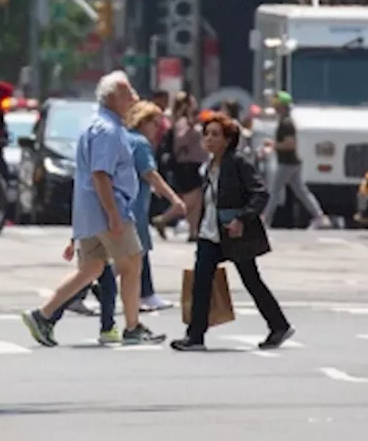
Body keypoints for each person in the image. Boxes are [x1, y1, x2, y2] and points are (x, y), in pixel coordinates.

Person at [21, 71, 165, 347]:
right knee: (133, 261)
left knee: (91, 268)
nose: (134, 97)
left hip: (90, 212)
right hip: (109, 210)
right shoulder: (108, 130)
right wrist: (113, 214)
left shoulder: (99, 126)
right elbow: (101, 175)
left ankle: (43, 315)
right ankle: (133, 327)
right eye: (128, 93)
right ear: (113, 97)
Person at [171, 112, 294, 351]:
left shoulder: (238, 163)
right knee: (202, 282)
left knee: (251, 280)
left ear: (228, 139)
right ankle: (195, 337)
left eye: (215, 135)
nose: (208, 139)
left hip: (234, 233)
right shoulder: (209, 167)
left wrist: (241, 218)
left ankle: (279, 325)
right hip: (210, 234)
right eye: (206, 134)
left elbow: (261, 193)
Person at [125, 100, 186, 311]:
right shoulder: (140, 143)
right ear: (143, 121)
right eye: (155, 123)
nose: (157, 128)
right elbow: (150, 174)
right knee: (135, 252)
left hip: (124, 203)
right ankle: (85, 288)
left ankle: (146, 293)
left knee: (137, 250)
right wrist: (174, 199)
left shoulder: (125, 138)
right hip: (135, 206)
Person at [261, 92, 327, 229]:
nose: (275, 108)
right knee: (301, 192)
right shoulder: (285, 121)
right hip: (292, 163)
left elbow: (290, 144)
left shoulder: (286, 123)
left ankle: (265, 220)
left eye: (277, 105)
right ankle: (319, 217)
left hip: (287, 163)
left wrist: (273, 145)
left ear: (283, 106)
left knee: (274, 191)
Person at [158, 92, 204, 242]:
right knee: (191, 200)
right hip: (185, 166)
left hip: (194, 165)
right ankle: (163, 219)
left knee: (196, 200)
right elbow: (181, 140)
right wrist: (191, 127)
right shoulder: (183, 122)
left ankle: (193, 232)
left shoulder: (191, 121)